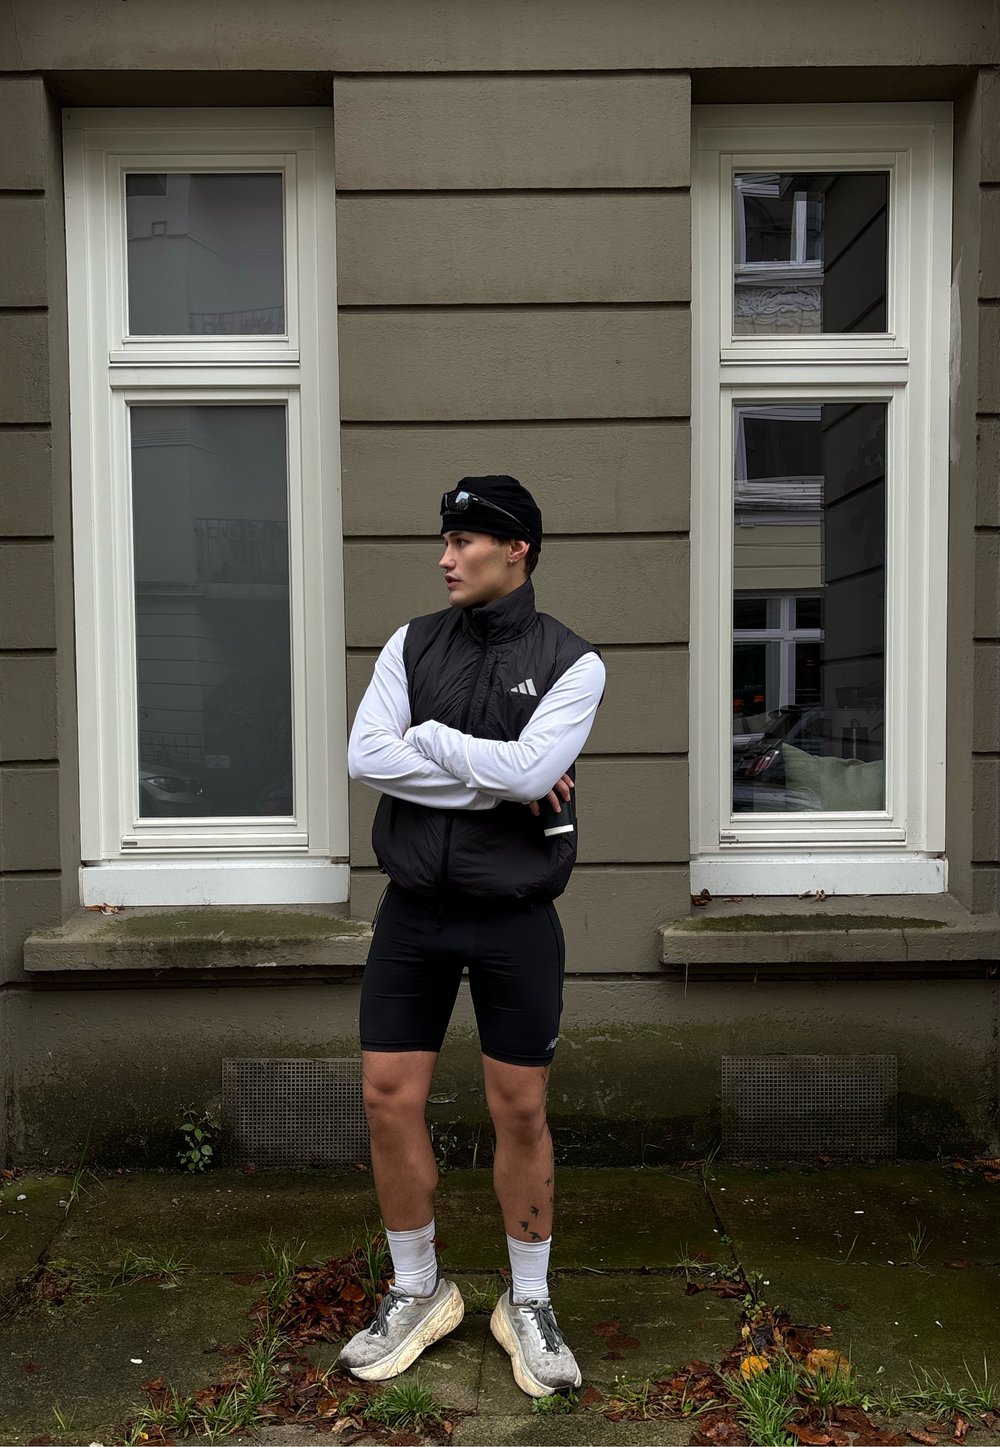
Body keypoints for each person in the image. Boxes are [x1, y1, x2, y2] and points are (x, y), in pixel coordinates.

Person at [340, 475, 605, 1399]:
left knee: (519, 1108)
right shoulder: (410, 642)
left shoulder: (574, 662)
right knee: (387, 1097)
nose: (445, 558)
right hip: (413, 908)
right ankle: (420, 1289)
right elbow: (366, 755)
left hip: (515, 915)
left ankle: (527, 1302)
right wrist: (505, 777)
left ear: (516, 548)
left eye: (463, 542)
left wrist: (432, 739)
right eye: (445, 541)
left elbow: (534, 770)